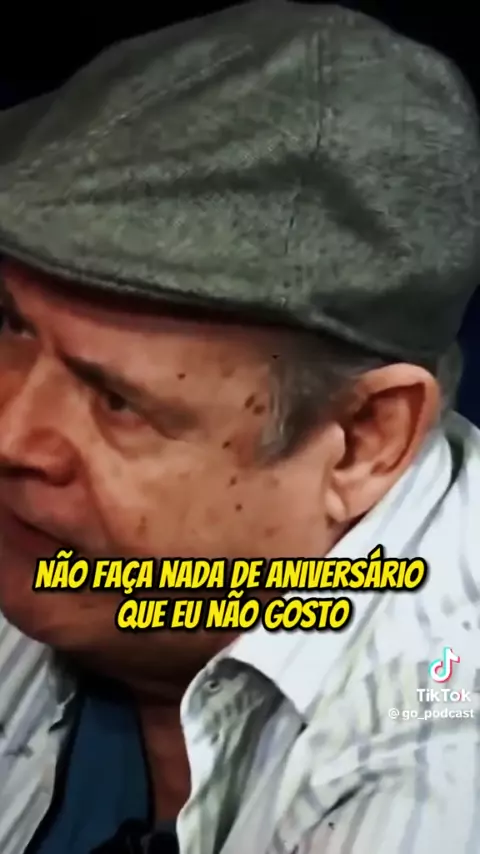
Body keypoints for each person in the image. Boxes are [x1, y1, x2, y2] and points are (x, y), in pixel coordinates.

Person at [0, 2, 479, 852]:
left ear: (362, 442)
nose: (10, 437)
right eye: (9, 327)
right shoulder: (68, 555)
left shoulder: (437, 758)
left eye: (115, 399)